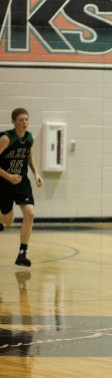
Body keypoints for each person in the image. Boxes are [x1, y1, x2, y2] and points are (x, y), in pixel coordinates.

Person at [0, 107, 43, 266]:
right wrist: (9, 177)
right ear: (13, 122)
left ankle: (22, 254)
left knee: (30, 213)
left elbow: (29, 157)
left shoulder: (29, 138)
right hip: (4, 182)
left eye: (26, 119)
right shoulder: (6, 139)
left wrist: (36, 173)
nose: (25, 123)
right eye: (21, 120)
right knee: (8, 220)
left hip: (21, 182)